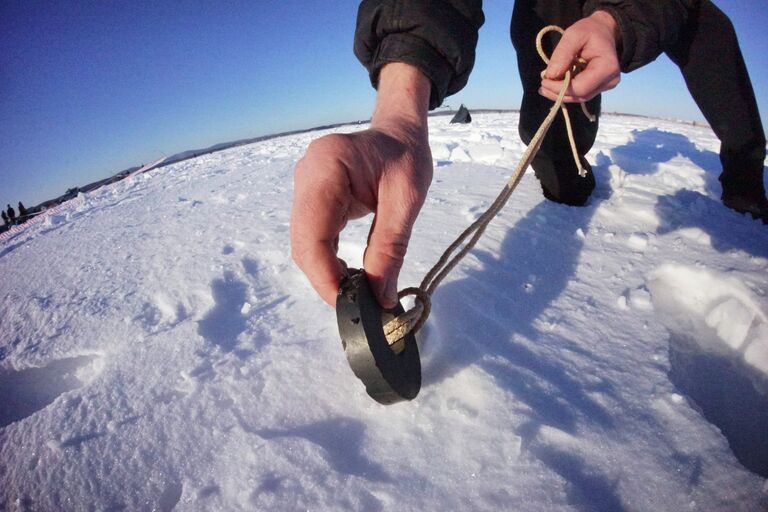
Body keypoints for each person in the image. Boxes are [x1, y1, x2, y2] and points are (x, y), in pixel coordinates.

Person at [291, 0, 767, 309]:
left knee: (708, 30)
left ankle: (746, 188)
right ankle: (571, 187)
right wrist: (398, 117)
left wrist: (614, 21)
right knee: (555, 158)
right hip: (549, 10)